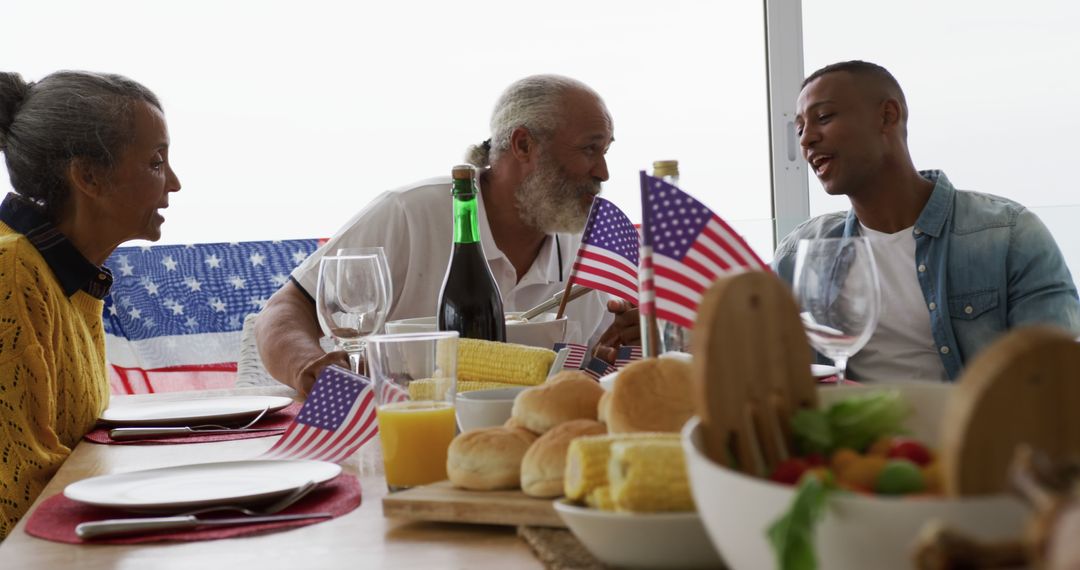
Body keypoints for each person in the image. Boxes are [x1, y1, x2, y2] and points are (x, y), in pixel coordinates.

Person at [256, 74, 639, 395]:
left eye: (606, 151)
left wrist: (625, 344)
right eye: (590, 149)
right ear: (523, 145)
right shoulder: (409, 212)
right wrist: (307, 366)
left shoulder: (590, 249)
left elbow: (595, 370)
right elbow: (286, 308)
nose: (603, 172)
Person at [773, 60, 1080, 382]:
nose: (806, 139)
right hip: (857, 432)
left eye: (823, 118)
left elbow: (1055, 379)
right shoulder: (800, 254)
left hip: (978, 431)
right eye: (799, 129)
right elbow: (776, 376)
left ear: (887, 116)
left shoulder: (1010, 234)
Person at [0, 71, 181, 537]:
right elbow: (18, 495)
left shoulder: (69, 272)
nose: (175, 183)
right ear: (88, 177)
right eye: (156, 162)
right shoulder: (11, 270)